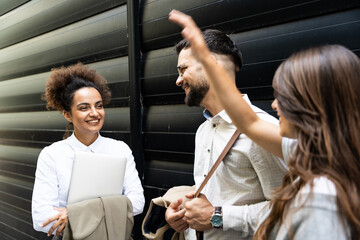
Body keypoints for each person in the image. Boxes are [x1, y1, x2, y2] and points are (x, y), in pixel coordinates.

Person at [169, 10, 360, 239]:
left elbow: (278, 210)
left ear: (311, 107)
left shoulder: (323, 200)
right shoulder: (308, 152)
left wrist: (217, 216)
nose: (274, 104)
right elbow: (248, 123)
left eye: (284, 96)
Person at [164, 27, 288, 239]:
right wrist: (184, 214)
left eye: (183, 69)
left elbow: (287, 210)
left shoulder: (264, 131)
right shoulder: (203, 129)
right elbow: (221, 192)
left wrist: (217, 217)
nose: (178, 80)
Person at [31, 63, 145, 238]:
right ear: (67, 115)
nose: (95, 113)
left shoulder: (120, 150)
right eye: (84, 108)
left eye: (99, 106)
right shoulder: (52, 155)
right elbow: (42, 218)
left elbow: (137, 202)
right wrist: (111, 209)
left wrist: (74, 213)